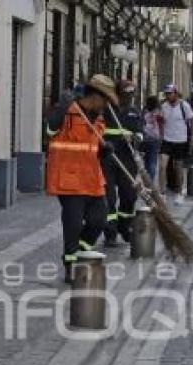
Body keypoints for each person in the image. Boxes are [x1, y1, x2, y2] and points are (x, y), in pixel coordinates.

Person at [46, 74, 118, 283]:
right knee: (73, 224)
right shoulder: (69, 111)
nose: (106, 105)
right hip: (68, 180)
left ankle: (79, 252)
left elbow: (92, 145)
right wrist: (61, 108)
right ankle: (71, 266)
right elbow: (49, 131)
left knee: (99, 220)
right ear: (95, 96)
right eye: (105, 100)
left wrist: (104, 150)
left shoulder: (99, 117)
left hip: (92, 180)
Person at [101, 80, 142, 247]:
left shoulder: (134, 112)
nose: (129, 98)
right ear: (118, 94)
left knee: (129, 196)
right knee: (109, 197)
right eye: (126, 94)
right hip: (108, 157)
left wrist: (134, 138)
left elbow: (140, 133)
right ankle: (110, 233)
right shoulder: (106, 110)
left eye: (132, 94)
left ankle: (124, 227)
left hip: (127, 158)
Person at [158, 84, 193, 205]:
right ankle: (162, 193)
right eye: (166, 94)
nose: (168, 96)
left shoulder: (184, 106)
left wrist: (192, 137)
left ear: (176, 93)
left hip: (180, 140)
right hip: (167, 140)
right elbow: (162, 122)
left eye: (170, 93)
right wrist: (161, 135)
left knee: (178, 167)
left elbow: (192, 120)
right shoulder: (164, 106)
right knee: (162, 166)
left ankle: (179, 193)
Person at [141, 95, 162, 185]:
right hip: (155, 138)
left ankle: (146, 181)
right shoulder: (158, 112)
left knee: (146, 161)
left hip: (145, 137)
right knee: (153, 161)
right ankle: (150, 182)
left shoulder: (144, 112)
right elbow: (161, 125)